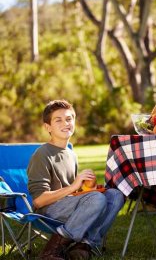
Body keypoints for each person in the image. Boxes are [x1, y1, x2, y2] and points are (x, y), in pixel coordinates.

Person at [27, 100, 125, 260]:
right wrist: (75, 187)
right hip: (49, 210)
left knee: (115, 195)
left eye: (69, 119)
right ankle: (52, 249)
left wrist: (87, 188)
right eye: (58, 120)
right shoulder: (42, 154)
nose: (66, 123)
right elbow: (38, 201)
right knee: (97, 199)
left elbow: (74, 192)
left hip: (69, 204)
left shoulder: (71, 153)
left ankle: (83, 245)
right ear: (48, 127)